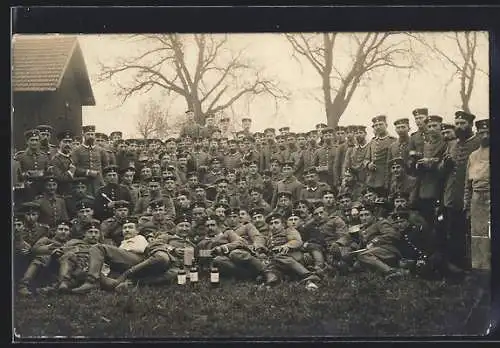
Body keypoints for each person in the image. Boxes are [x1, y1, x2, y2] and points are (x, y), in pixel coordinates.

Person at [441, 111, 481, 271]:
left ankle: (476, 265)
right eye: (456, 123)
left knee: (473, 232)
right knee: (455, 231)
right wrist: (446, 164)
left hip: (473, 195)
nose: (459, 126)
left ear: (470, 125)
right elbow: (444, 171)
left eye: (462, 123)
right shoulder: (454, 145)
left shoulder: (477, 142)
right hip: (453, 195)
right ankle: (458, 265)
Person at [259, 213, 320, 289]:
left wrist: (286, 245)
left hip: (293, 257)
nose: (274, 225)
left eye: (276, 222)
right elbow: (267, 248)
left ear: (282, 224)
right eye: (271, 224)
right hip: (278, 261)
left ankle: (308, 275)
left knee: (279, 256)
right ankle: (272, 283)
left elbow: (298, 241)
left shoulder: (289, 230)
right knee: (270, 268)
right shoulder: (269, 236)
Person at [464, 119, 490, 270]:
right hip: (477, 197)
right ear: (477, 134)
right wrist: (467, 204)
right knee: (478, 232)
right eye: (481, 133)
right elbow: (467, 184)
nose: (485, 136)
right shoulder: (473, 156)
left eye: (487, 133)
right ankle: (480, 267)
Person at [71, 125, 108, 196]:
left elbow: (106, 167)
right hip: (84, 182)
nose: (90, 136)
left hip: (98, 182)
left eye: (92, 134)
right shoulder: (77, 150)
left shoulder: (101, 150)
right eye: (88, 134)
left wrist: (102, 179)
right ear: (83, 135)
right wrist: (87, 172)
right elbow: (73, 167)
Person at [364, 115, 396, 194]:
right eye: (375, 125)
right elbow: (366, 159)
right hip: (372, 178)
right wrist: (368, 164)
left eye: (380, 124)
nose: (378, 127)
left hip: (385, 178)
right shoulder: (373, 141)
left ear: (386, 125)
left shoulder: (393, 140)